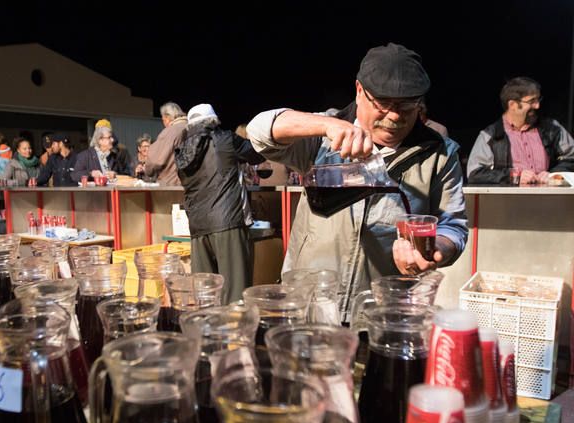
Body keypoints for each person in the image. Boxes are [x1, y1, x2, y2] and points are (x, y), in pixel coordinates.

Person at [247, 43, 468, 311]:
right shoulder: (323, 136)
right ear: (360, 91)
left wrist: (436, 251)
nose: (395, 116)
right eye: (384, 104)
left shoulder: (440, 153)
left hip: (383, 307)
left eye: (407, 107)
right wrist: (327, 125)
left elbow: (452, 227)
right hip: (312, 300)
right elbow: (258, 131)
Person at [175, 104, 265, 303]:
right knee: (235, 294)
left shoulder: (181, 151)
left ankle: (206, 333)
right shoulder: (225, 139)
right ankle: (235, 332)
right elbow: (256, 153)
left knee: (205, 294)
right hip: (228, 223)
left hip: (198, 228)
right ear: (214, 121)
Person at [468, 77, 574, 184]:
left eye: (538, 99)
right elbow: (474, 174)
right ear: (512, 105)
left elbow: (571, 158)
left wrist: (555, 174)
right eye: (532, 101)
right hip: (506, 200)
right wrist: (513, 177)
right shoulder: (491, 135)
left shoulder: (552, 128)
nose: (537, 106)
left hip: (551, 199)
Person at [144, 102, 187, 185]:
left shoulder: (170, 131)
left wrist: (147, 170)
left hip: (171, 183)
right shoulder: (191, 128)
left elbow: (155, 161)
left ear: (167, 117)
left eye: (163, 119)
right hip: (190, 184)